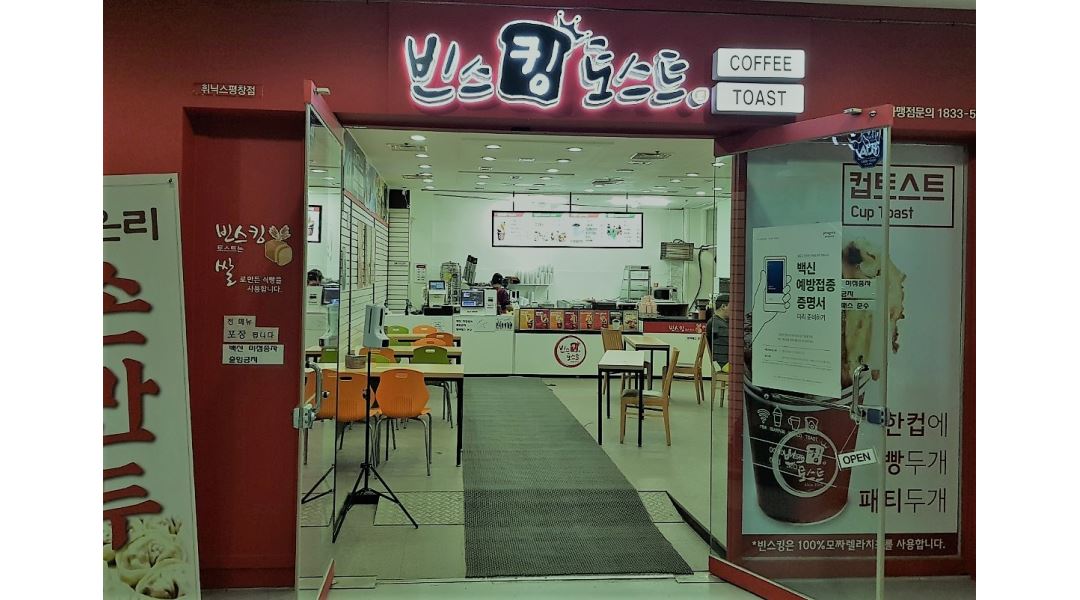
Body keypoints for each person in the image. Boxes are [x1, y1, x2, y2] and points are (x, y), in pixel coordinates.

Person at [707, 294, 730, 369]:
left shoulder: (715, 322)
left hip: (720, 363)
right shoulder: (719, 325)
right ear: (723, 306)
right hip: (724, 365)